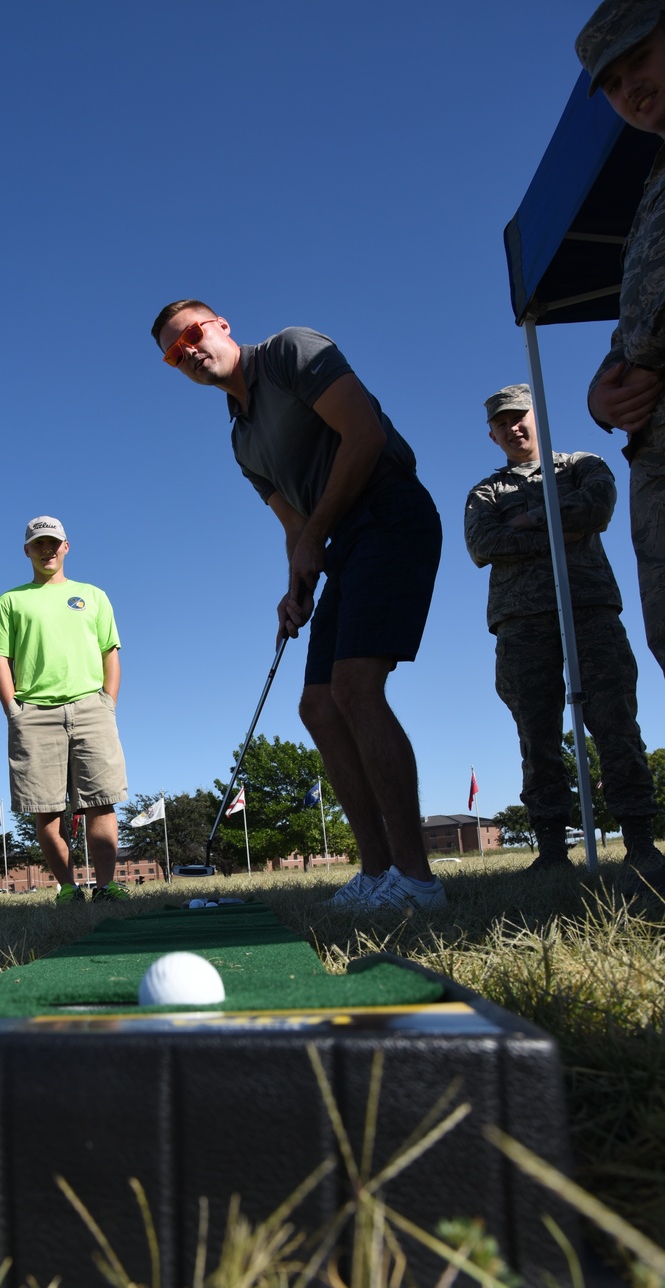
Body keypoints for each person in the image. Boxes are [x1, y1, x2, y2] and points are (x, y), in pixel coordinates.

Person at [151, 302, 445, 915]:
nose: (190, 352)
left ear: (221, 325)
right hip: (341, 543)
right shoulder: (240, 439)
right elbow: (294, 525)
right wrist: (296, 588)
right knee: (317, 704)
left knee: (355, 687)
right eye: (175, 355)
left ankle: (418, 882)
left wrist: (314, 539)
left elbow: (364, 435)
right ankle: (377, 871)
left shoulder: (289, 350)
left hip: (390, 512)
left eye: (193, 334)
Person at [465, 384, 663, 875]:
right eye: (501, 423)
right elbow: (484, 544)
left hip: (588, 608)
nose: (513, 428)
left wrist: (528, 518)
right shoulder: (486, 493)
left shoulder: (581, 466)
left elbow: (596, 508)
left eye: (519, 417)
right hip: (521, 622)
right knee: (536, 737)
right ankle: (552, 850)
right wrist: (561, 531)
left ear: (537, 418)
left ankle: (640, 839)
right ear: (491, 435)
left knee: (616, 724)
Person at [577, 3, 665, 675]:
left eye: (640, 59)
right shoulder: (652, 188)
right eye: (612, 83)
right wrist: (599, 397)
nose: (629, 88)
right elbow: (632, 323)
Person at [0, 516, 129, 904]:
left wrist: (108, 701)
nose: (46, 549)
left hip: (91, 708)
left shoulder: (93, 595)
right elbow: (0, 659)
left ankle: (106, 886)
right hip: (34, 715)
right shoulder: (10, 601)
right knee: (45, 809)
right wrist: (13, 710)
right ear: (27, 550)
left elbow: (110, 652)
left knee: (101, 801)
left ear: (66, 546)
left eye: (53, 542)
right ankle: (68, 888)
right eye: (38, 543)